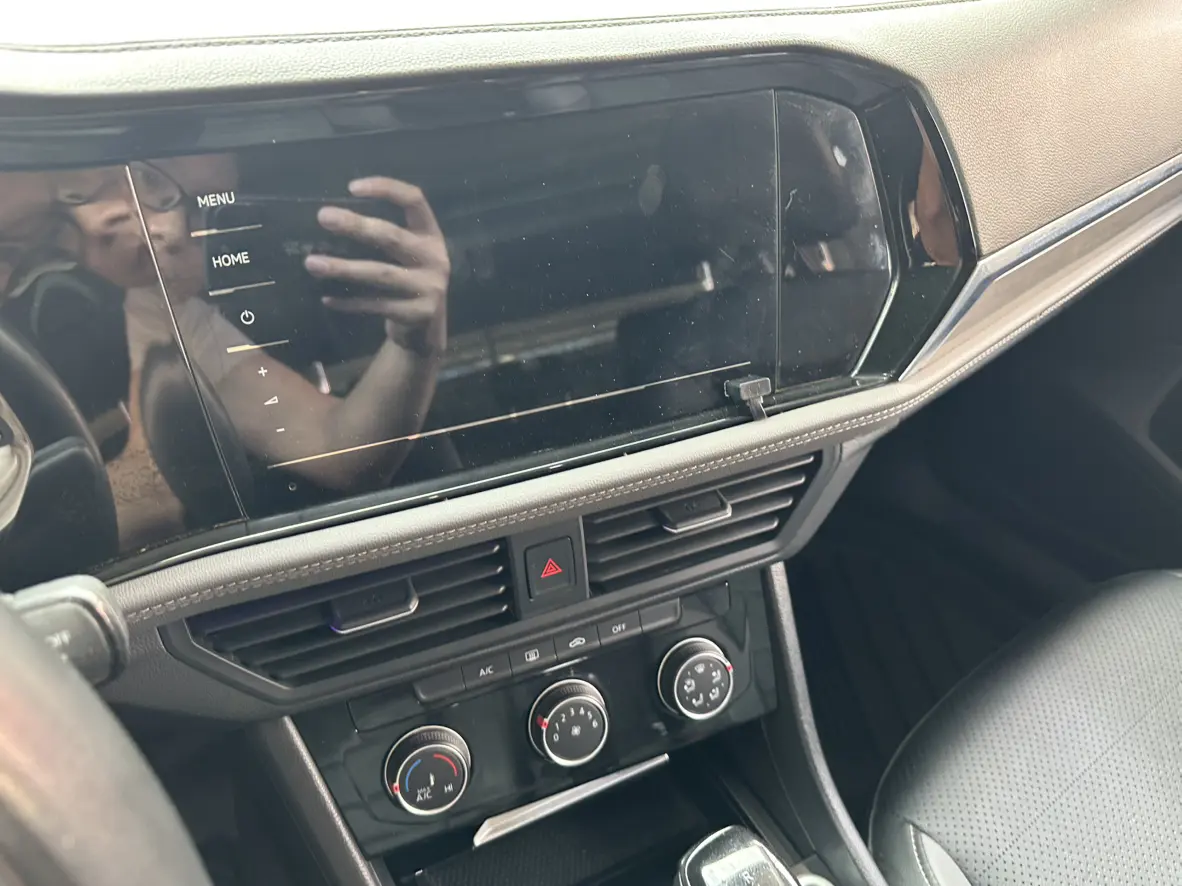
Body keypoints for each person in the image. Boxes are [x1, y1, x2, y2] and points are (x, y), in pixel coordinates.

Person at [47, 156, 449, 493]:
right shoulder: (158, 304)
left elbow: (339, 452)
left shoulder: (173, 308)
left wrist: (414, 345)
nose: (167, 231)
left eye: (213, 212)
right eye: (151, 182)